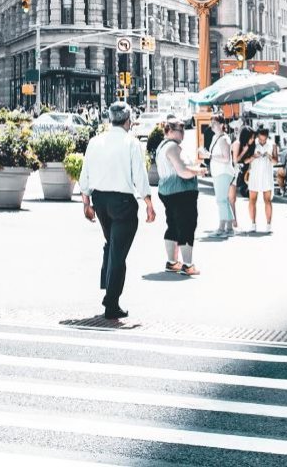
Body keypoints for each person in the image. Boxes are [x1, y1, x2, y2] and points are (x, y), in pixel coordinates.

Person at [78, 102, 156, 320]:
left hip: (100, 200)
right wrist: (148, 202)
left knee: (112, 245)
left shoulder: (95, 141)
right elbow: (139, 176)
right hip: (122, 203)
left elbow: (85, 174)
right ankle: (111, 303)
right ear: (128, 120)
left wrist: (86, 203)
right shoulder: (130, 142)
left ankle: (107, 286)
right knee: (118, 253)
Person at [155, 118, 206, 276]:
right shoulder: (173, 147)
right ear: (169, 131)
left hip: (167, 191)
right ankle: (187, 265)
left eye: (184, 130)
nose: (183, 133)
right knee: (187, 226)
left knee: (173, 225)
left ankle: (172, 262)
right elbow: (182, 171)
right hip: (181, 191)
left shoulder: (162, 147)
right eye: (180, 130)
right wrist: (198, 171)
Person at [207, 115, 237, 237]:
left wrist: (209, 156)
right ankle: (228, 228)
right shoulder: (216, 137)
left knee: (221, 200)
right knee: (223, 200)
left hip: (223, 172)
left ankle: (222, 228)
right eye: (211, 123)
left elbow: (226, 158)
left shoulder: (223, 139)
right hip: (220, 172)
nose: (212, 125)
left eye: (214, 123)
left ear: (221, 124)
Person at [246, 126, 278, 233]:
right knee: (252, 200)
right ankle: (253, 224)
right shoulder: (252, 143)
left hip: (266, 176)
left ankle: (269, 225)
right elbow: (246, 160)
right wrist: (254, 156)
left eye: (264, 139)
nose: (262, 141)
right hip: (254, 175)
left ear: (267, 137)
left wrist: (269, 156)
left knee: (267, 200)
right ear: (257, 137)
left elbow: (275, 162)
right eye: (260, 139)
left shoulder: (272, 144)